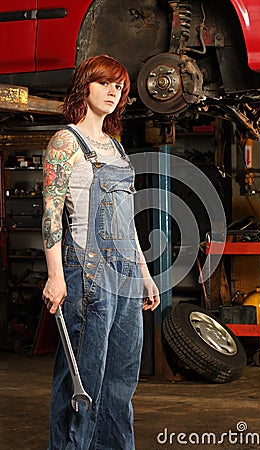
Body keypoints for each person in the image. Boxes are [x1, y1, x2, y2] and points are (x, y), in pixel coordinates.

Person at [42, 54, 160, 450]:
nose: (113, 92)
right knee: (82, 379)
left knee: (121, 381)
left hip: (125, 274)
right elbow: (51, 215)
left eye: (119, 87)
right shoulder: (65, 142)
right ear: (85, 86)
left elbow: (126, 223)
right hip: (86, 273)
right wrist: (56, 276)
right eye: (105, 83)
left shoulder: (115, 147)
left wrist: (144, 275)